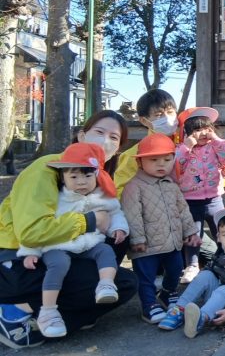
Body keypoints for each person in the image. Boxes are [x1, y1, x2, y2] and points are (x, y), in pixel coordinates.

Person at [0, 110, 138, 349]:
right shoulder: (47, 167)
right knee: (121, 284)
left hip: (59, 250)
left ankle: (61, 308)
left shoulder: (99, 180)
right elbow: (31, 233)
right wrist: (89, 221)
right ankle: (14, 312)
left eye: (114, 138)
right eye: (99, 132)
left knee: (119, 274)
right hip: (17, 257)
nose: (106, 140)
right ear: (81, 136)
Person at [17, 143, 129, 338]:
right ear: (63, 177)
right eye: (74, 177)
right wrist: (30, 252)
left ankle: (106, 284)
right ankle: (48, 310)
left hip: (89, 244)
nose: (81, 182)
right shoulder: (59, 199)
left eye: (87, 176)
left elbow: (115, 212)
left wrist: (118, 228)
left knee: (105, 251)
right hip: (59, 246)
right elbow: (41, 228)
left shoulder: (102, 196)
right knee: (58, 264)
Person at [121, 133, 201, 324]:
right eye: (154, 160)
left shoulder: (171, 184)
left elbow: (183, 210)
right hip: (146, 245)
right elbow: (132, 214)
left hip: (172, 241)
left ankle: (167, 293)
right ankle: (148, 305)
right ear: (140, 162)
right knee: (146, 277)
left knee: (176, 269)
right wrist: (137, 239)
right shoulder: (134, 186)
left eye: (167, 159)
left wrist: (190, 232)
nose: (161, 164)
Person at [158, 206, 225, 339]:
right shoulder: (223, 250)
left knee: (224, 289)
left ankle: (200, 318)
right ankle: (179, 309)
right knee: (205, 275)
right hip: (217, 296)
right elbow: (212, 267)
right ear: (219, 237)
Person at [175, 107, 225, 284]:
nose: (202, 133)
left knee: (222, 231)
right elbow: (176, 164)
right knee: (193, 234)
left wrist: (216, 139)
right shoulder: (183, 149)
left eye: (206, 128)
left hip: (214, 199)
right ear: (187, 133)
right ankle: (192, 266)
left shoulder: (215, 147)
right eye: (196, 130)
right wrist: (188, 145)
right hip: (190, 200)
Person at [115, 89, 180, 195]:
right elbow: (121, 190)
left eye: (170, 112)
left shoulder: (187, 144)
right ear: (144, 121)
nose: (167, 118)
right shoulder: (134, 154)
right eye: (159, 115)